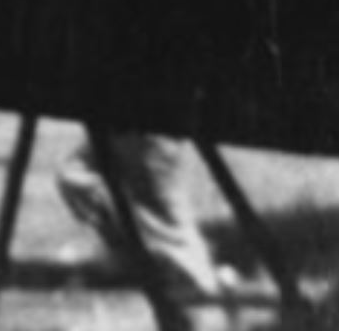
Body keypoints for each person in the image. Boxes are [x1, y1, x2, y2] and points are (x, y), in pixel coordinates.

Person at [58, 128, 226, 315]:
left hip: (149, 131)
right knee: (74, 176)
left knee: (165, 221)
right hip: (118, 128)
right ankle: (127, 252)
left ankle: (201, 287)